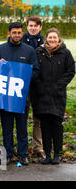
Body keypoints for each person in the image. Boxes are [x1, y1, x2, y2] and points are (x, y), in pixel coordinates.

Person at [0, 22, 40, 165]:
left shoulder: (29, 50)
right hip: (5, 98)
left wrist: (24, 77)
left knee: (22, 127)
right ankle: (7, 154)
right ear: (9, 33)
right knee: (7, 127)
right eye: (14, 32)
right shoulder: (0, 50)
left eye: (19, 32)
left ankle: (23, 154)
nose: (17, 35)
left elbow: (36, 71)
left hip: (22, 97)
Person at [32, 28, 74, 165]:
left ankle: (57, 154)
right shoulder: (39, 52)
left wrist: (58, 86)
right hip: (42, 95)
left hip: (58, 95)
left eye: (54, 37)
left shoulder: (65, 53)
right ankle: (47, 155)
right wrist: (41, 86)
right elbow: (35, 71)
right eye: (50, 37)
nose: (52, 40)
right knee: (44, 125)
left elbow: (70, 71)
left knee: (56, 124)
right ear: (46, 38)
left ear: (58, 39)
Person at [22, 16, 45, 158]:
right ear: (27, 26)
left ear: (40, 27)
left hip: (40, 85)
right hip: (23, 85)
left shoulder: (45, 42)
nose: (33, 28)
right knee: (22, 117)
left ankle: (38, 147)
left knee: (39, 117)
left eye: (35, 26)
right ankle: (23, 147)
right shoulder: (20, 40)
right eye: (30, 25)